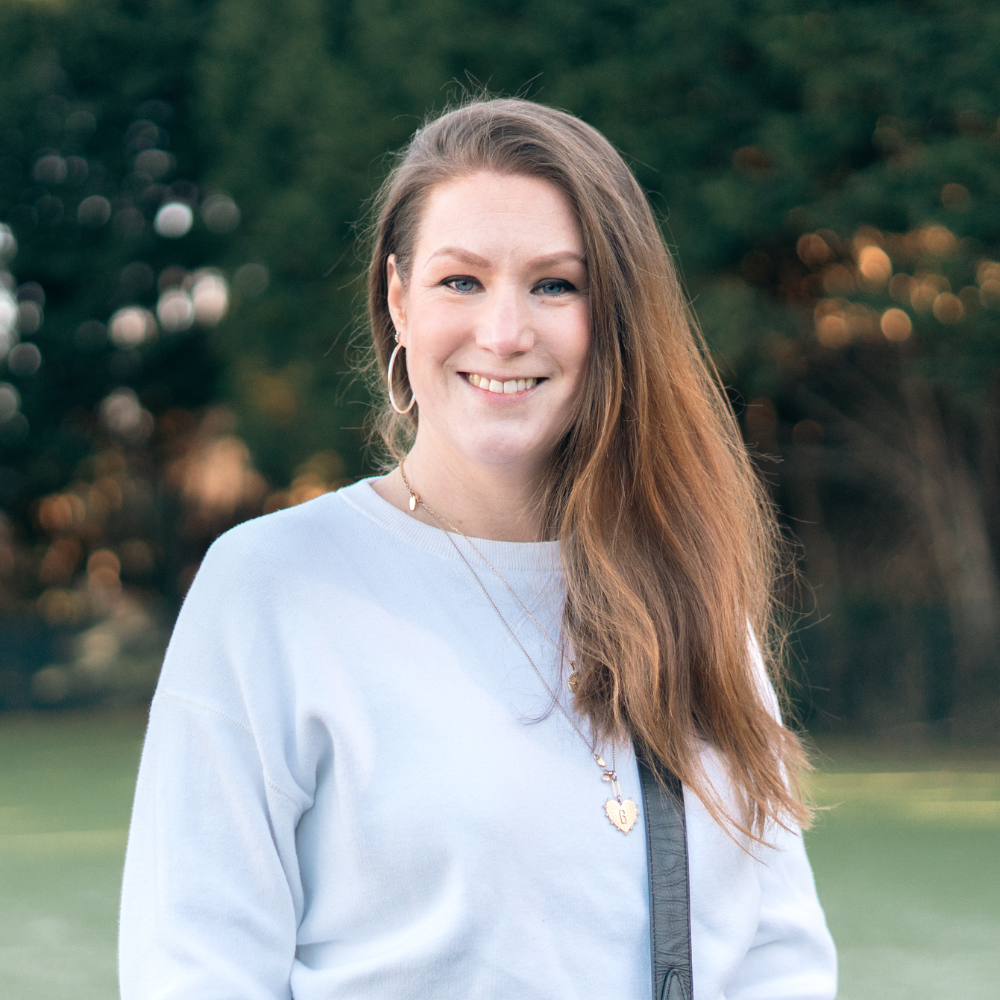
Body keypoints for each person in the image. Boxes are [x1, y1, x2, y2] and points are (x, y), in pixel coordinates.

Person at [119, 97, 836, 1000]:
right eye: (461, 281)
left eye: (555, 284)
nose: (504, 333)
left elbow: (776, 952)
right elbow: (194, 965)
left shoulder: (682, 577)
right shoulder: (272, 586)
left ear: (612, 317)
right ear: (397, 299)